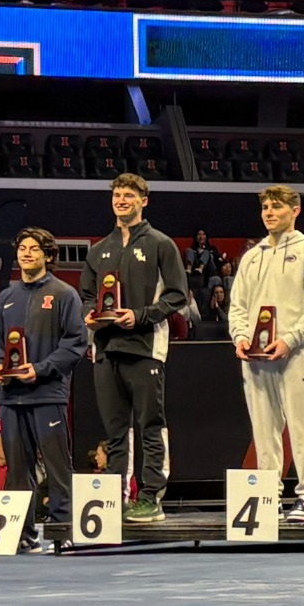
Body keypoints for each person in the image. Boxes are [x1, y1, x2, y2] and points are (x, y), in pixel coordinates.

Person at [80, 173, 190, 524]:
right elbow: (86, 296)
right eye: (117, 195)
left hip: (145, 347)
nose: (122, 200)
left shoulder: (160, 243)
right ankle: (114, 498)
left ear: (145, 200)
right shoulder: (99, 250)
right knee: (115, 432)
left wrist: (141, 316)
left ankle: (150, 497)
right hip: (106, 349)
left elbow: (177, 294)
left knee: (150, 425)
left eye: (129, 195)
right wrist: (89, 317)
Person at [230, 185, 304, 524]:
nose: (269, 213)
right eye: (265, 208)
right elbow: (238, 307)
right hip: (256, 358)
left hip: (295, 354)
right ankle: (268, 494)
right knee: (264, 428)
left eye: (276, 207)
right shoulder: (252, 256)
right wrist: (241, 337)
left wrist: (289, 339)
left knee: (302, 426)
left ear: (295, 210)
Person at [0, 228, 87, 552]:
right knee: (18, 470)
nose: (26, 253)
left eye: (34, 249)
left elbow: (75, 344)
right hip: (12, 397)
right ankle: (23, 535)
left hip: (48, 395)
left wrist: (40, 369)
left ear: (48, 255)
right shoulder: (5, 297)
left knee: (57, 467)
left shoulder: (64, 294)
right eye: (22, 248)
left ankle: (61, 532)